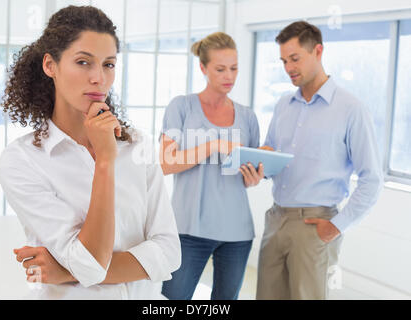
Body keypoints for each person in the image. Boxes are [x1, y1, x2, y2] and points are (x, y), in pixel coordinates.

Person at [0, 5, 180, 300]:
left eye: (108, 64)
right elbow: (92, 265)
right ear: (49, 65)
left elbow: (170, 252)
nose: (99, 78)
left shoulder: (136, 146)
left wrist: (70, 270)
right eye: (83, 62)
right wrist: (105, 161)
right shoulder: (22, 161)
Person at [256, 21, 383, 300]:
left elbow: (372, 179)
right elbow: (273, 155)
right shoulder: (283, 106)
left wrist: (337, 225)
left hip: (315, 224)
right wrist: (259, 166)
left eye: (295, 58)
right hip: (276, 219)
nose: (288, 67)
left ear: (318, 51)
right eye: (283, 61)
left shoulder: (351, 109)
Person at [159, 32, 265, 300]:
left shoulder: (248, 117)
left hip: (237, 233)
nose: (228, 76)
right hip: (188, 230)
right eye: (220, 69)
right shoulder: (181, 107)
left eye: (234, 68)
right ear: (203, 68)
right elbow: (166, 163)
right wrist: (213, 145)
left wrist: (253, 178)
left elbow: (247, 173)